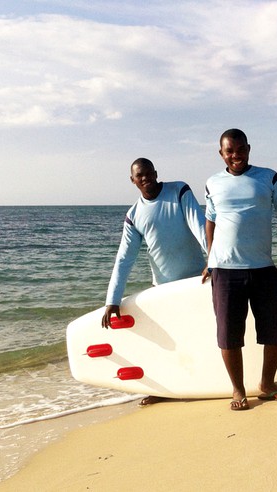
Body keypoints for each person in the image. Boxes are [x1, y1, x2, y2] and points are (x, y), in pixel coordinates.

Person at [203, 128, 277, 411]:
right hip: (226, 270)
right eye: (229, 151)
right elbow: (210, 220)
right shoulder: (212, 183)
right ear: (221, 154)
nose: (236, 156)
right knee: (229, 334)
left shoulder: (268, 177)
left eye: (240, 149)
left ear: (249, 148)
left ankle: (267, 384)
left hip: (262, 267)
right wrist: (209, 259)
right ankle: (238, 390)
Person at [101, 157, 208, 406]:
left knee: (199, 334)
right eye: (140, 176)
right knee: (165, 343)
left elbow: (199, 226)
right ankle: (165, 389)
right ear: (133, 181)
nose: (146, 178)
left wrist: (213, 262)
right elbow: (124, 259)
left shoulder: (179, 190)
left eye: (149, 173)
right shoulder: (133, 215)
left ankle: (203, 380)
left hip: (196, 282)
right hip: (163, 289)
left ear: (156, 173)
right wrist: (112, 300)